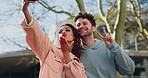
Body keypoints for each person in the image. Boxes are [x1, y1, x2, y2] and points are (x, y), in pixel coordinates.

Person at [21, 0, 87, 78]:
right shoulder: (49, 50)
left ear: (74, 37)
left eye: (67, 30)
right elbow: (37, 33)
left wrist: (66, 55)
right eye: (60, 31)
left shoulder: (78, 64)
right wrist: (25, 10)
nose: (63, 32)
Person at [74, 12, 135, 78]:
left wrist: (114, 47)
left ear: (93, 28)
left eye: (85, 23)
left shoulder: (109, 48)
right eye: (78, 25)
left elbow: (129, 70)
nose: (81, 26)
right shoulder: (75, 51)